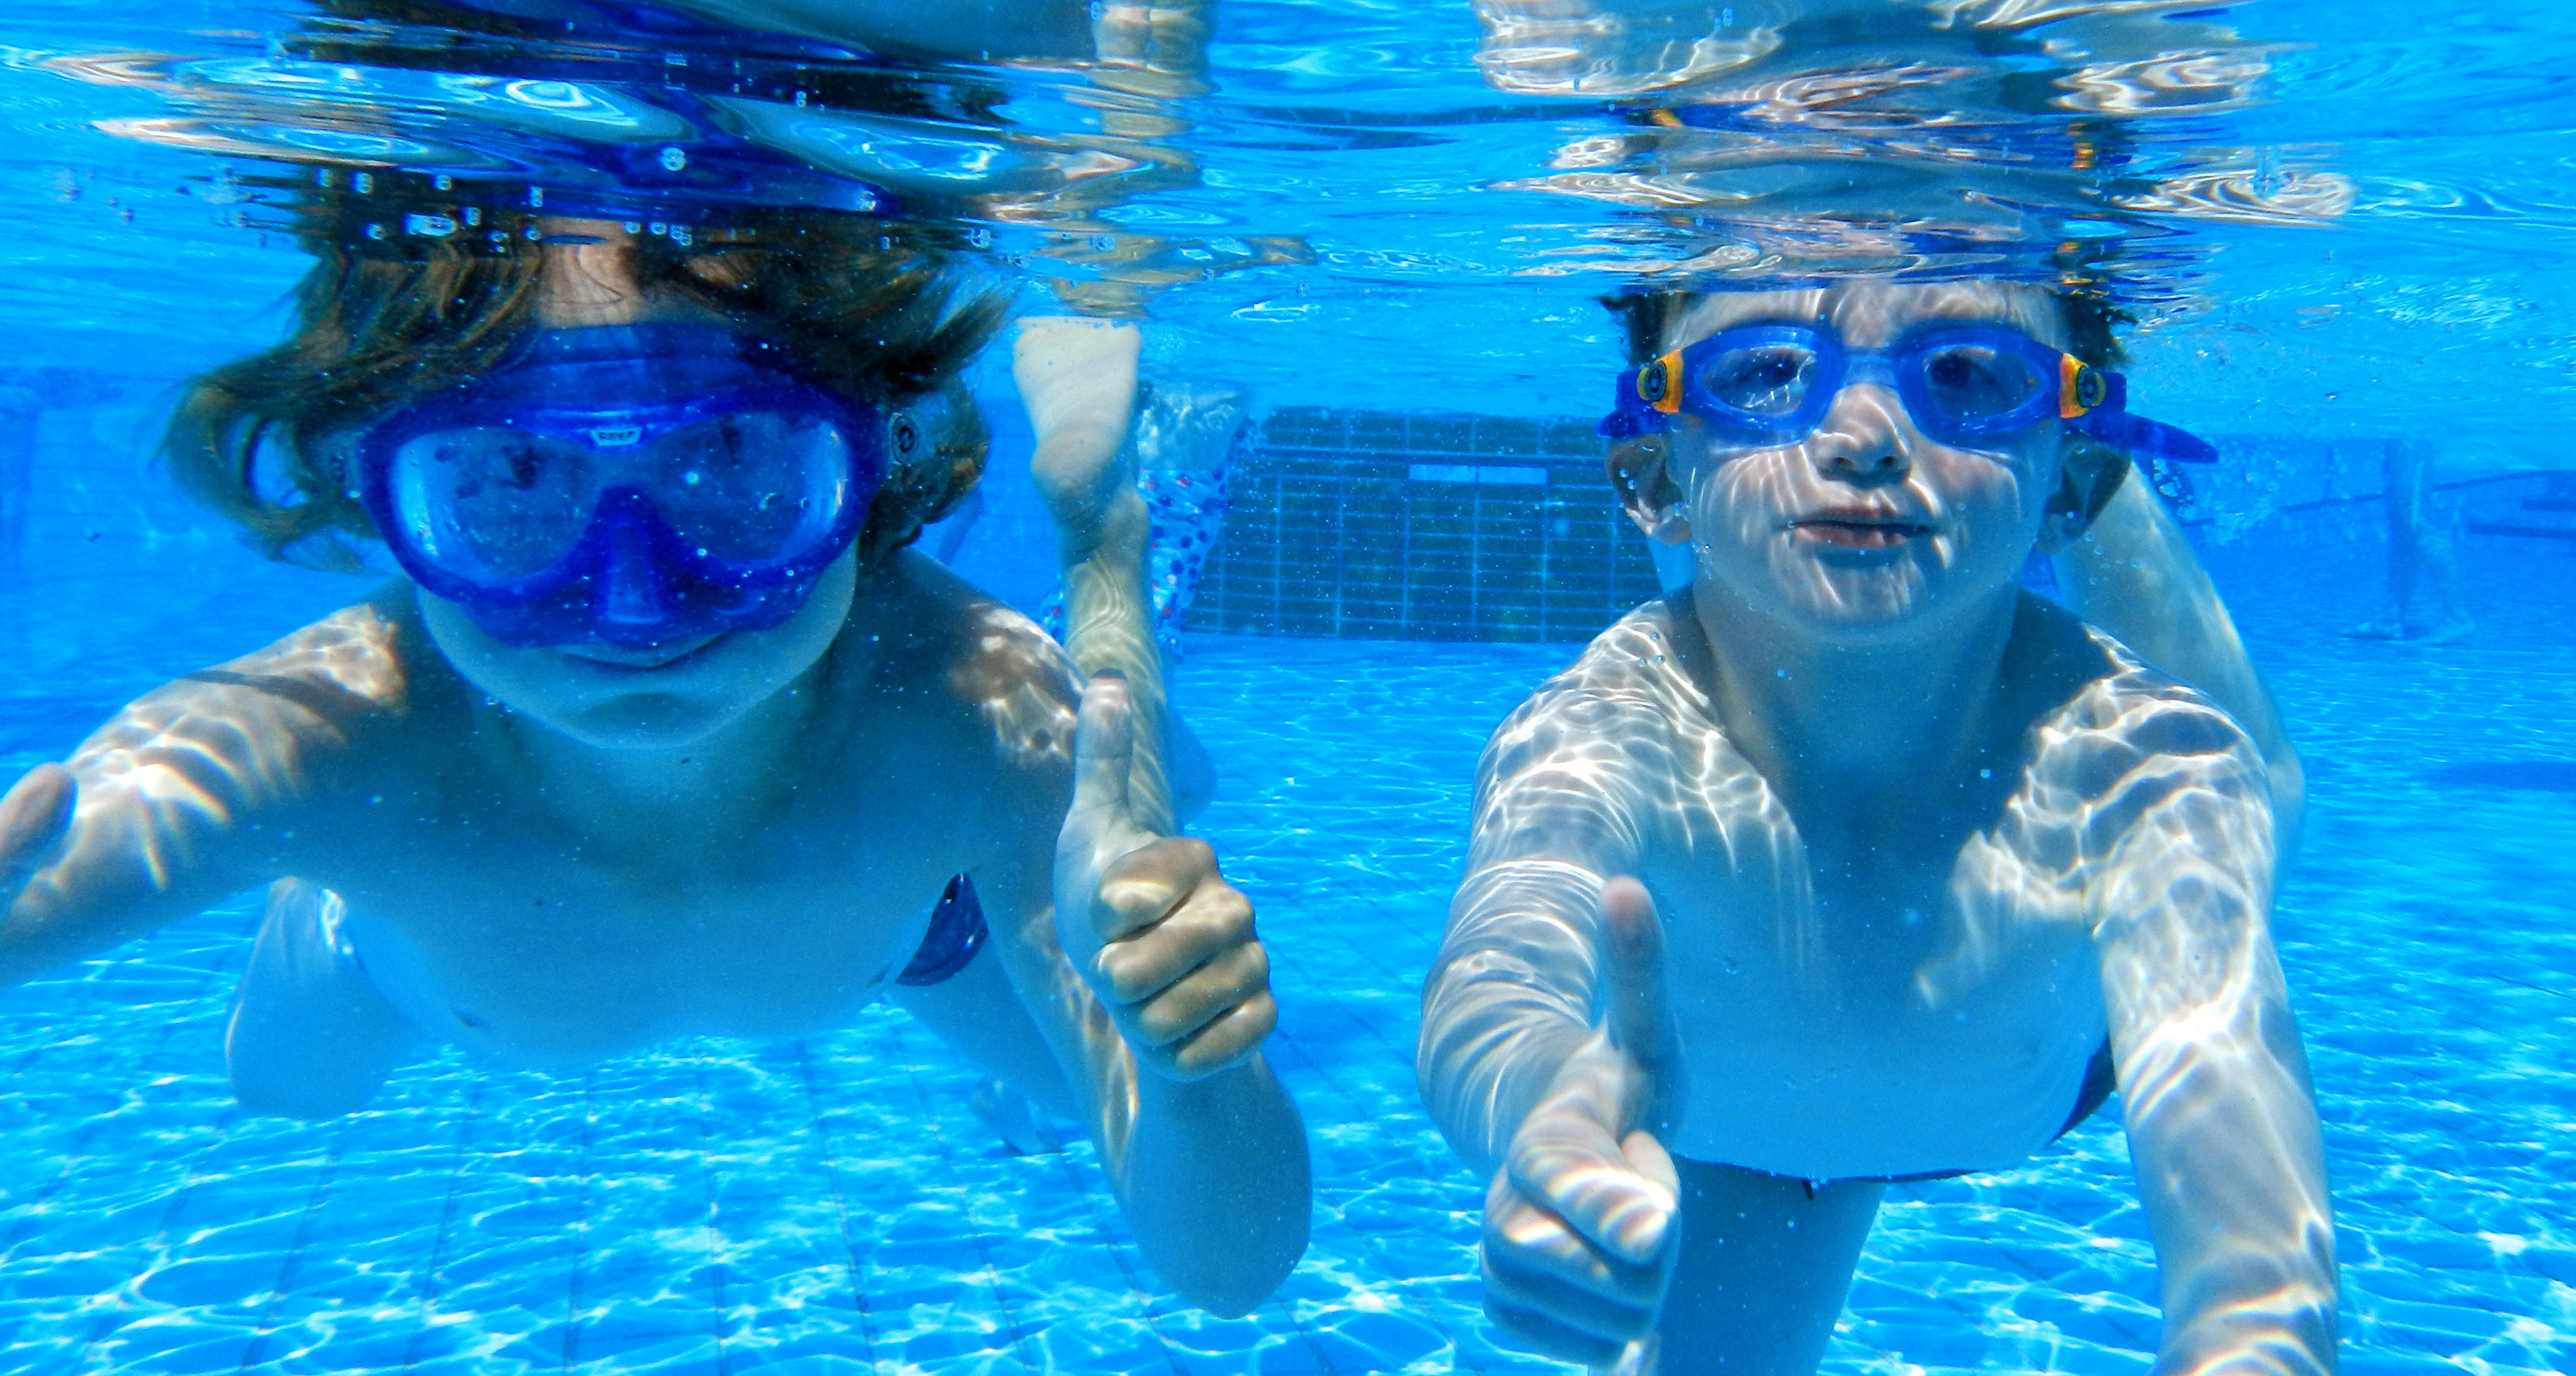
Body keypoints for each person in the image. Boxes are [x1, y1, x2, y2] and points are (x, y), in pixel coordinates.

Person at [0, 201, 1309, 1317]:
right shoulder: (328, 732)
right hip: (402, 966)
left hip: (914, 930)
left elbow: (1225, 1271)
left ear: (869, 467)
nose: (634, 602)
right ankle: (332, 903)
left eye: (731, 460)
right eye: (509, 479)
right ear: (386, 500)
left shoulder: (972, 710)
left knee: (1101, 1068)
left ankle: (1107, 558)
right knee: (286, 1092)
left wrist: (1195, 1081)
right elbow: (69, 859)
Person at [1417, 279, 2335, 1375]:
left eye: (1963, 373)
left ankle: (1938, 423)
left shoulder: (2149, 762)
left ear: (2076, 492)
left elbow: (2245, 1222)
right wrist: (1539, 1109)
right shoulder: (1596, 729)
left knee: (2254, 791)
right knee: (1769, 545)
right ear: (1641, 475)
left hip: (1991, 1075)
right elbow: (1496, 968)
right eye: (1763, 372)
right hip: (1726, 1126)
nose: (1860, 434)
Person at [2345, 437, 2472, 644]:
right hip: (2404, 438)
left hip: (2412, 438)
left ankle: (2459, 618)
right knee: (2403, 530)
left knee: (2417, 523)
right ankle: (2391, 618)